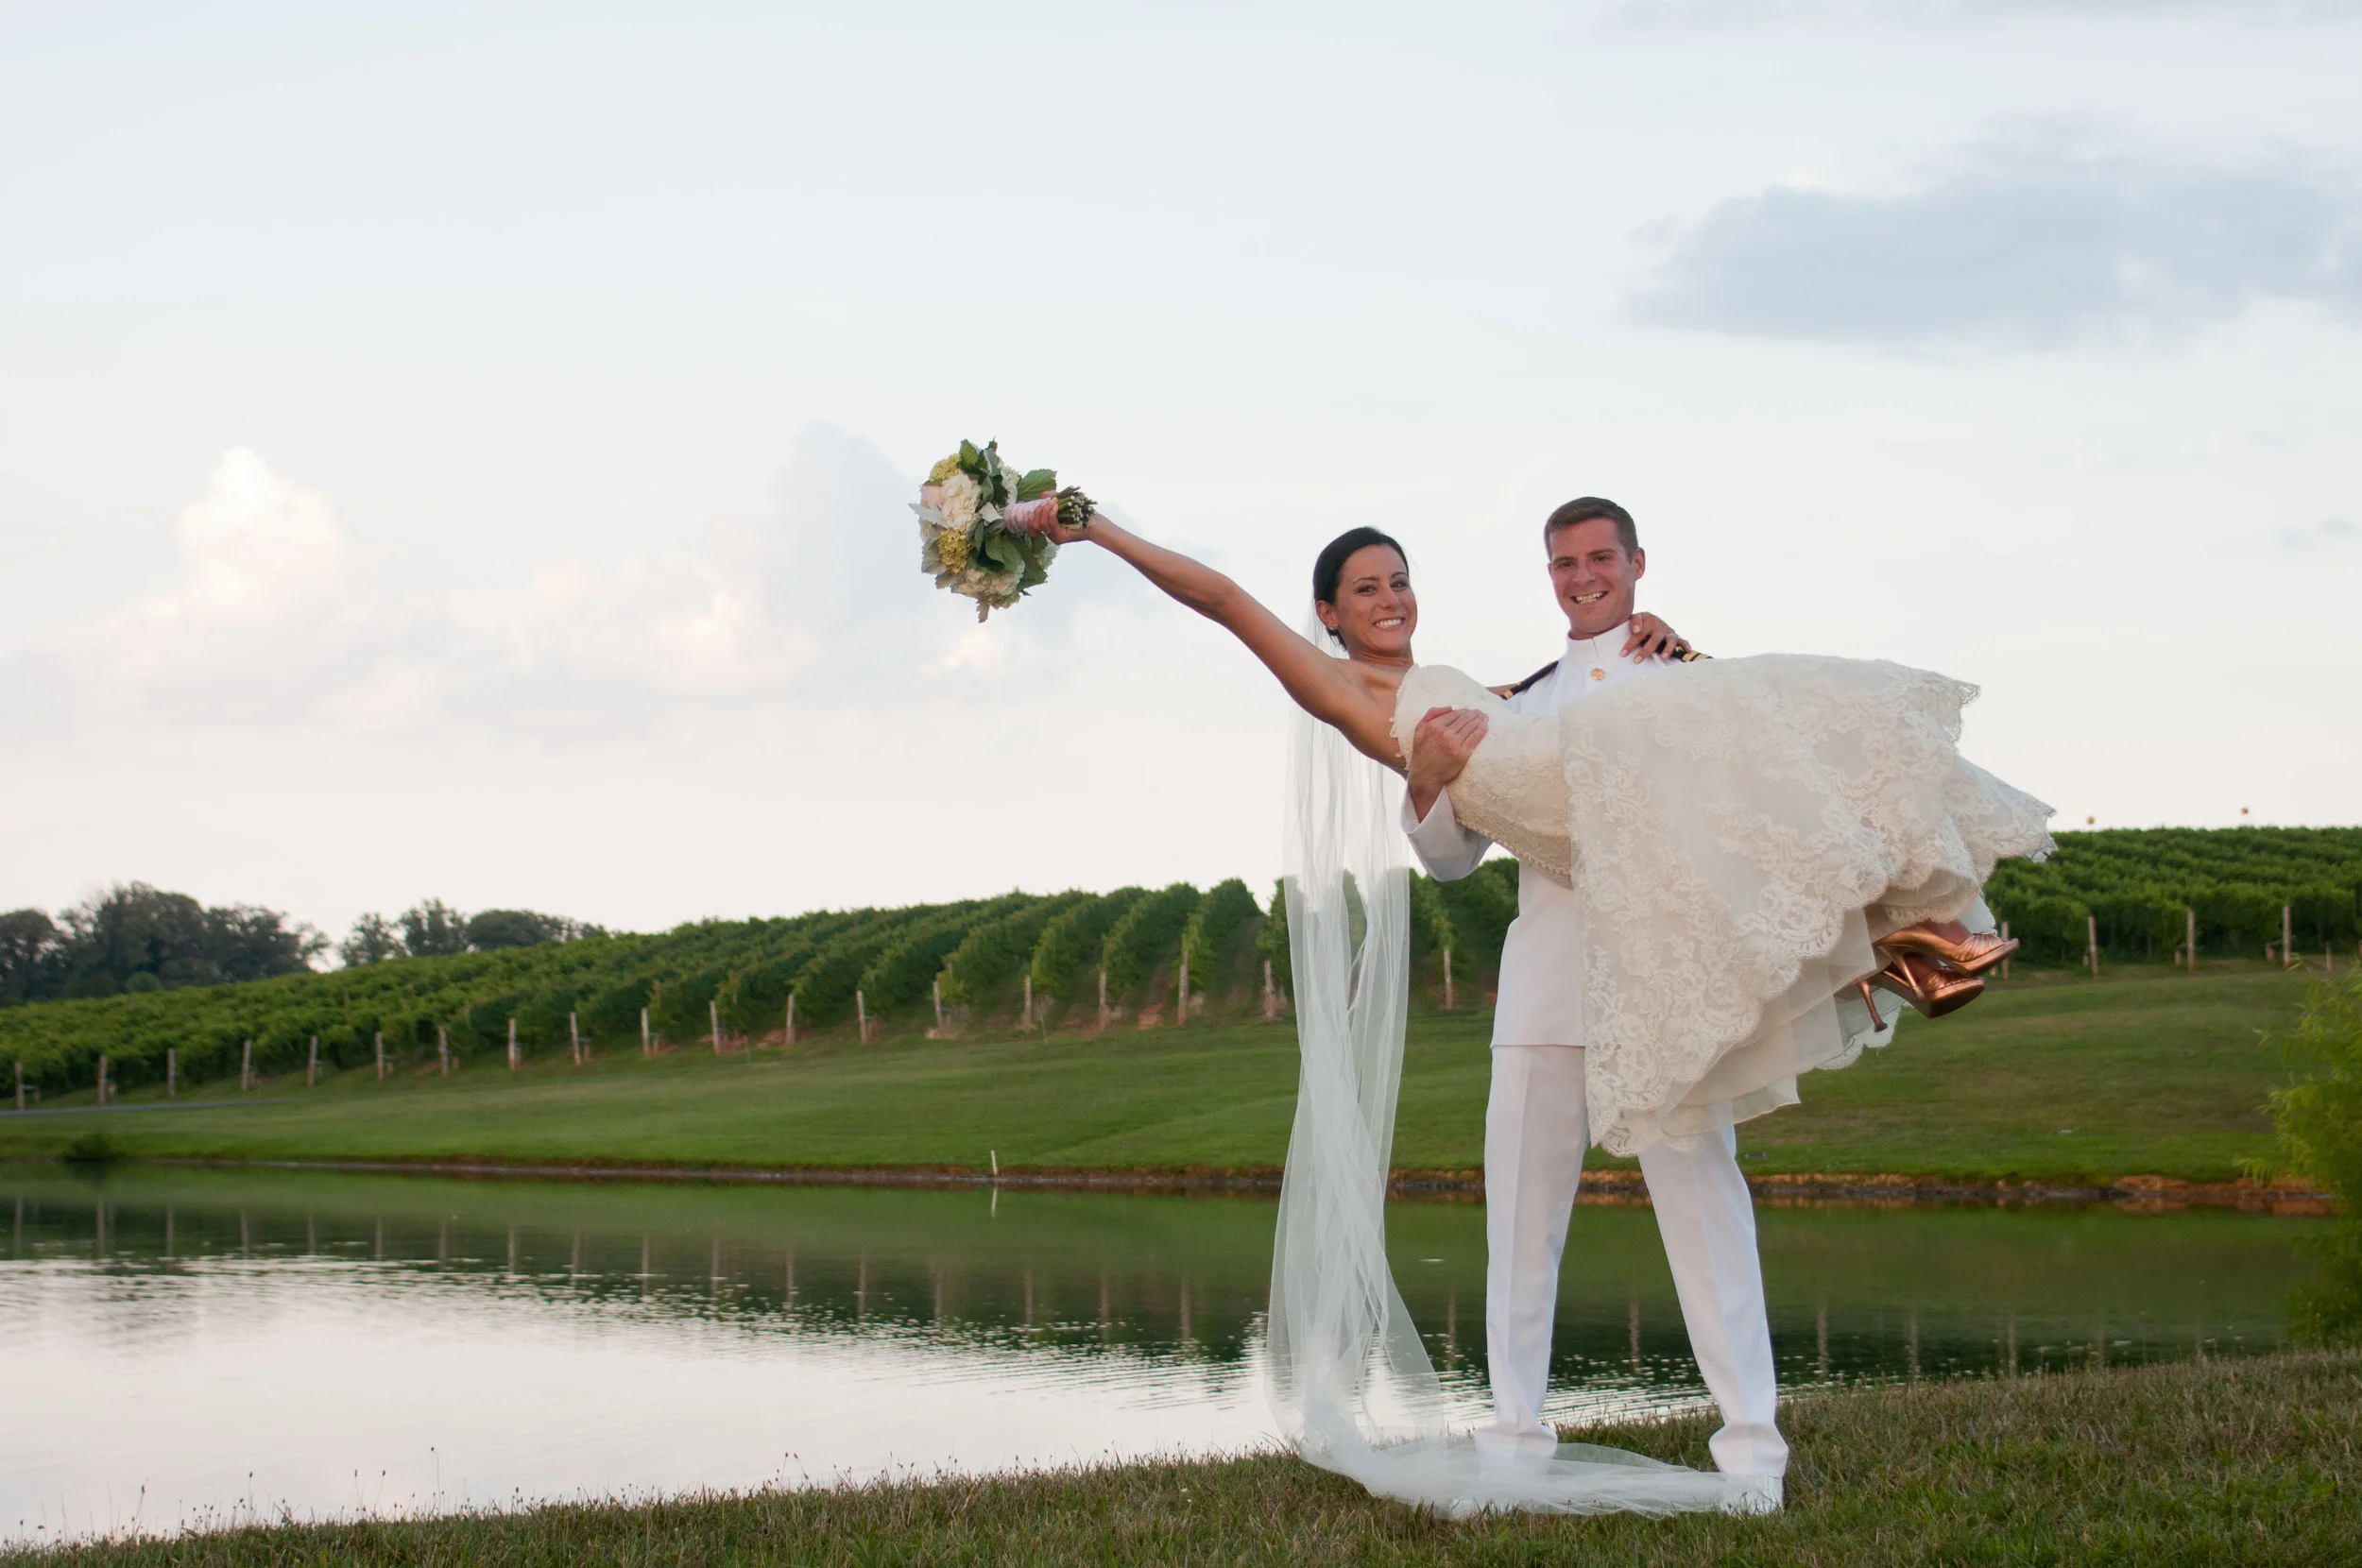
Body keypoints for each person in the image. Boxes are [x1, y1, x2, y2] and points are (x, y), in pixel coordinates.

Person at [1030, 502, 2052, 1515]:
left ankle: (1753, 1448)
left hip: (1658, 975)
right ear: (1329, 615)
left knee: (1705, 1210)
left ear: (1633, 564)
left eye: (1398, 580)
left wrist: (1679, 657)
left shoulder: (1562, 685)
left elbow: (1742, 790)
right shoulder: (1454, 698)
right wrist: (1422, 785)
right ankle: (1513, 1435)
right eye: (1367, 588)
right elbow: (1445, 852)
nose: (1390, 599)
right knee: (1521, 1226)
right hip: (1547, 985)